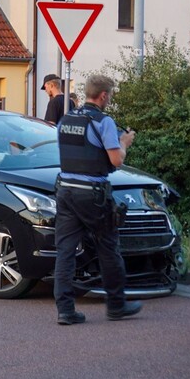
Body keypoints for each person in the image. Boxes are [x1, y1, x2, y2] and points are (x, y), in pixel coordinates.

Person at [53, 74, 141, 325]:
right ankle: (116, 305)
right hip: (92, 193)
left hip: (65, 190)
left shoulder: (65, 120)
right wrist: (124, 142)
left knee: (65, 252)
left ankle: (66, 311)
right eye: (110, 95)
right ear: (103, 95)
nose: (110, 99)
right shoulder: (104, 122)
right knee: (108, 247)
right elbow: (116, 160)